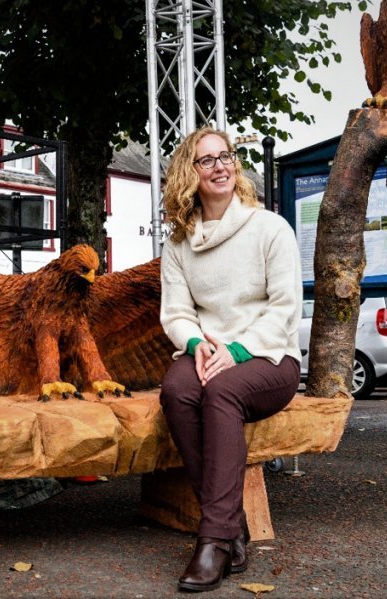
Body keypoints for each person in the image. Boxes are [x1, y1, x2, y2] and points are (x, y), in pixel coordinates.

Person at [158, 127, 302, 592]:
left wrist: (238, 350)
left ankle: (215, 540)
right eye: (207, 160)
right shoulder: (180, 242)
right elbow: (177, 313)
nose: (220, 166)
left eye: (226, 157)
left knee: (221, 393)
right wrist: (199, 345)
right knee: (177, 390)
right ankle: (231, 522)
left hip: (269, 355)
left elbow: (285, 309)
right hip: (209, 350)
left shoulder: (270, 228)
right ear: (190, 174)